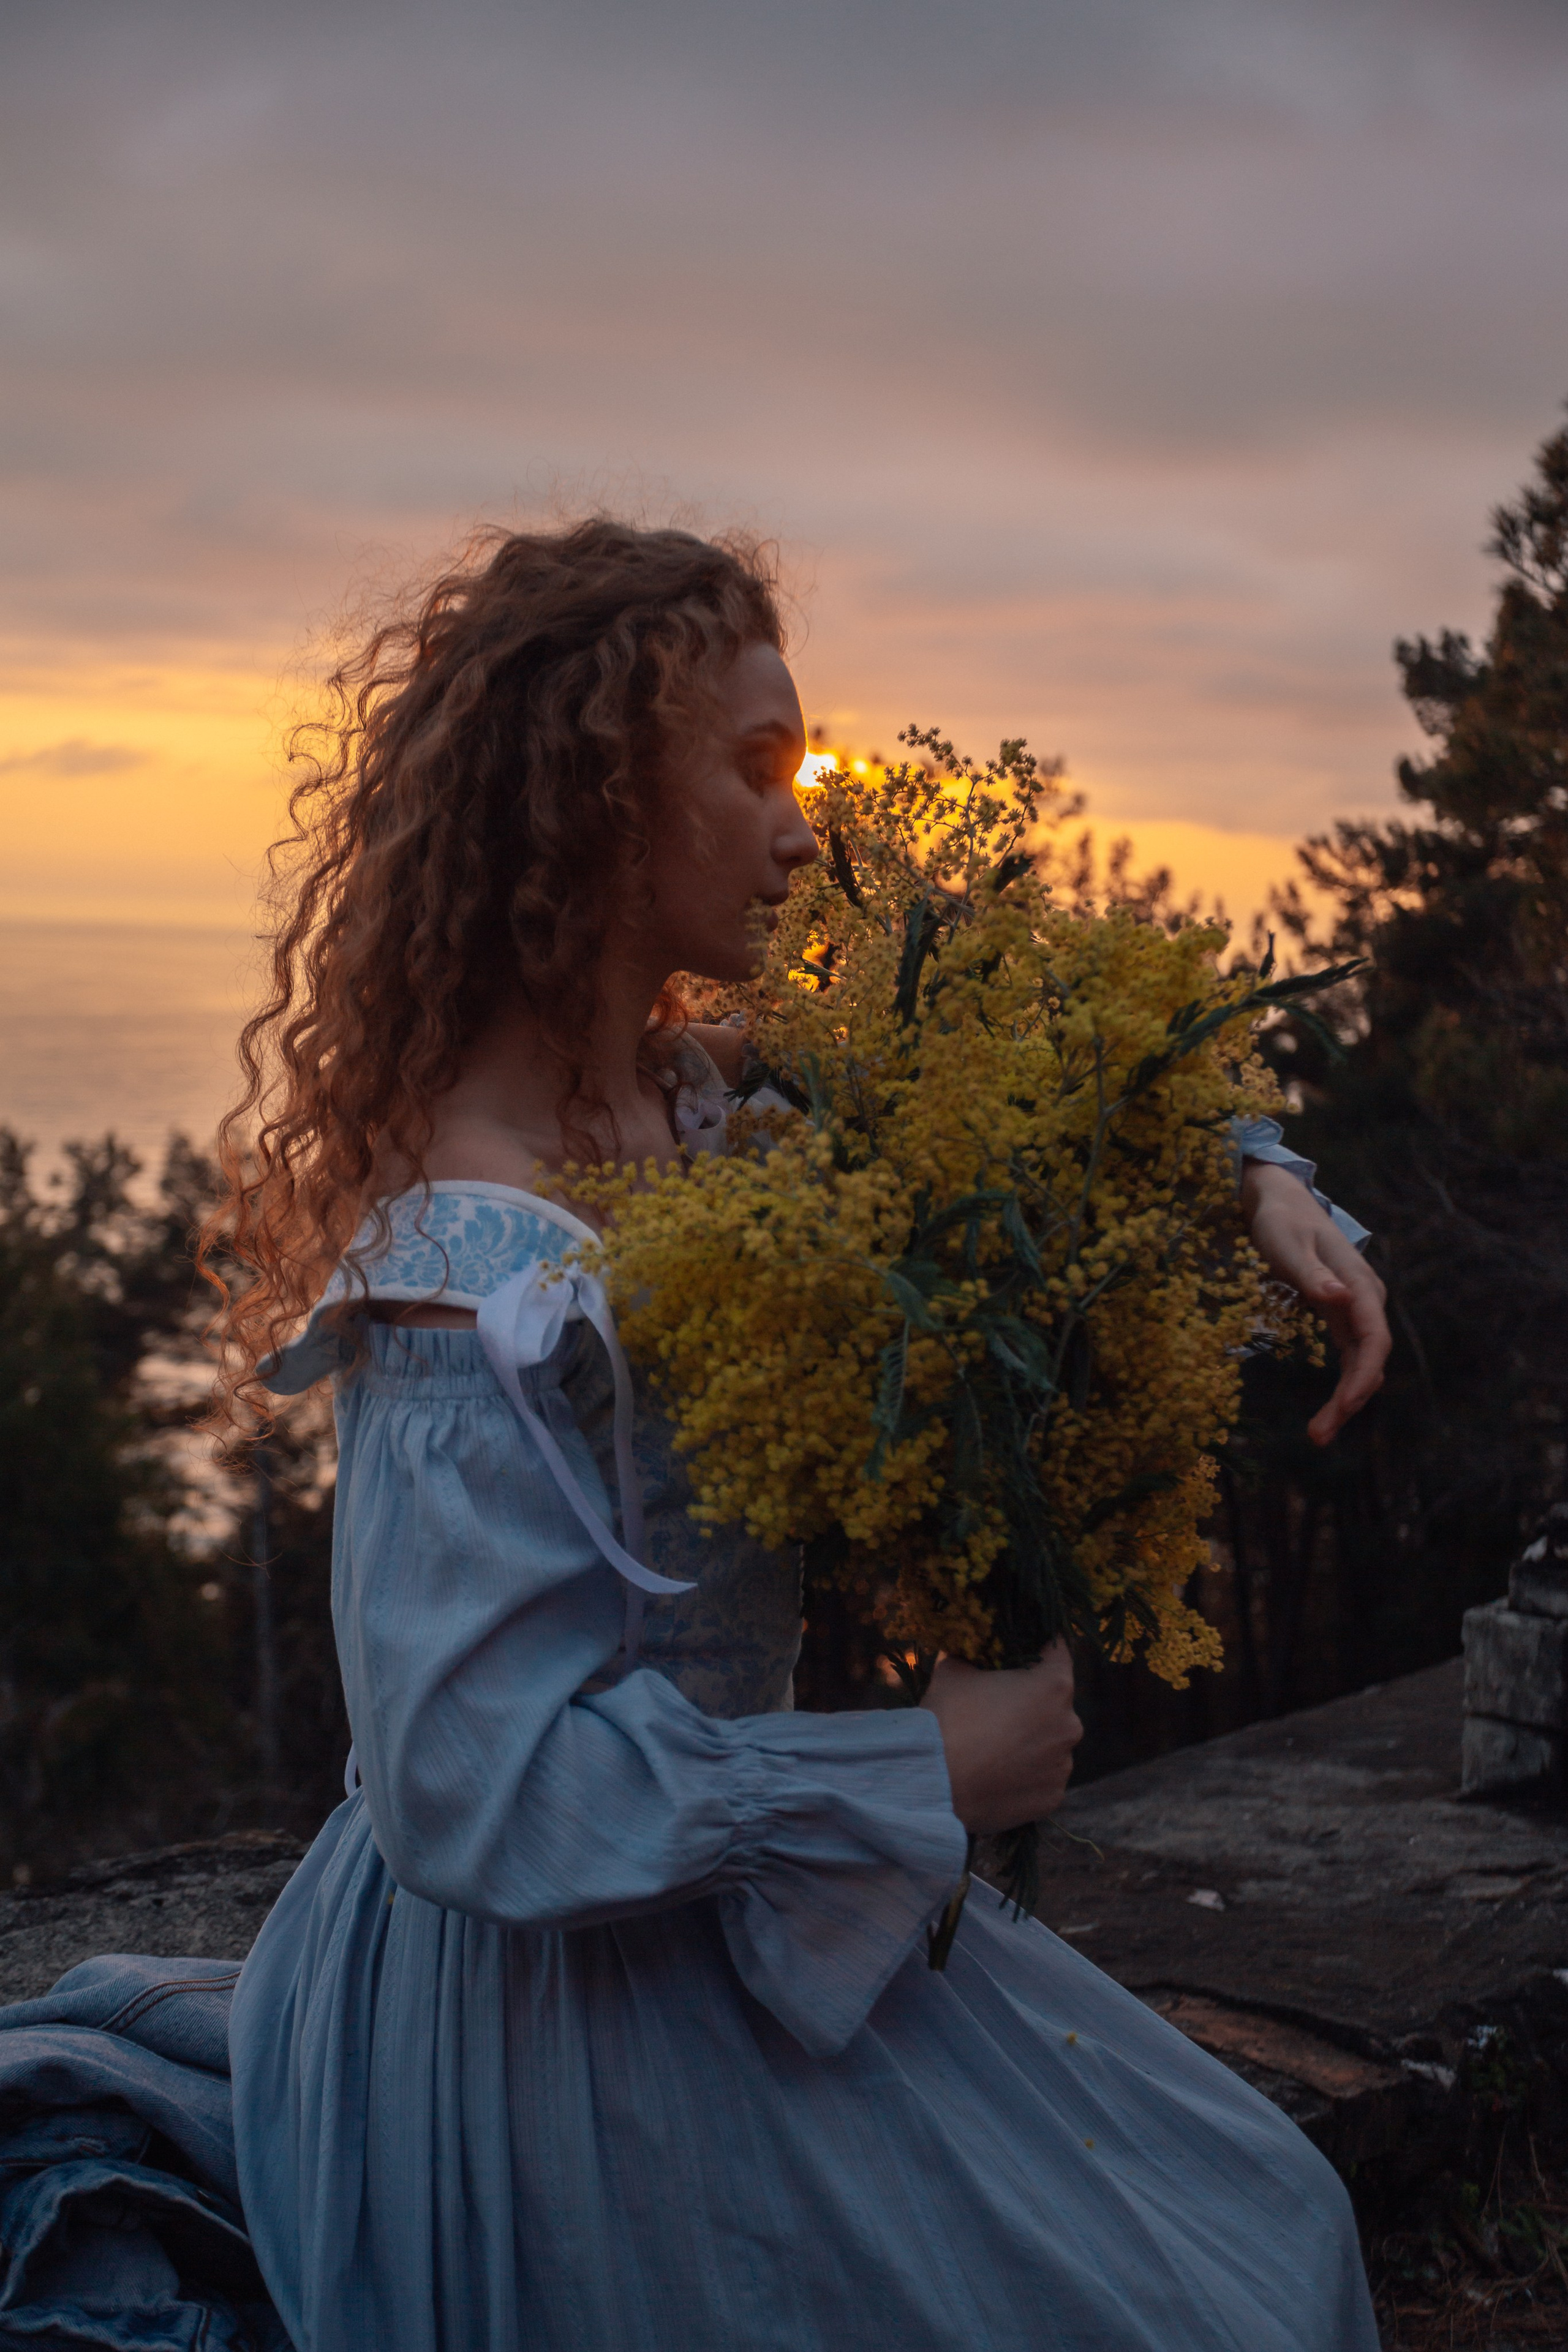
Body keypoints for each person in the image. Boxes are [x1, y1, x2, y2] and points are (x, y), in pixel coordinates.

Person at [4, 522, 1391, 2351]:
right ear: (586, 796)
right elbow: (461, 1790)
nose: (806, 825)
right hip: (544, 2022)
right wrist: (912, 1772)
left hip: (751, 1915)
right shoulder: (469, 1261)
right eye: (753, 773)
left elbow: (1036, 1054)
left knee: (1262, 2221)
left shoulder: (695, 1094)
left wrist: (1257, 1181)